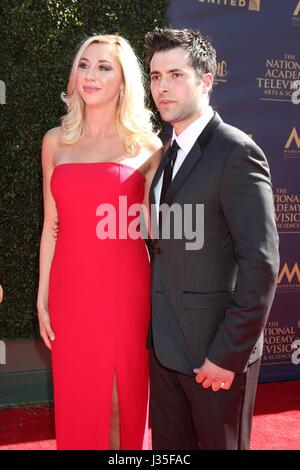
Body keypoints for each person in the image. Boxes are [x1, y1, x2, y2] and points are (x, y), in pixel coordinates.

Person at [145, 27, 279, 450]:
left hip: (214, 357)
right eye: (155, 76)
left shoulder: (236, 152)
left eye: (175, 74)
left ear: (206, 80)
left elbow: (261, 265)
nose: (162, 87)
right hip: (167, 351)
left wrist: (227, 354)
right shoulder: (167, 154)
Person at [37, 34, 161, 450]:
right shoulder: (56, 142)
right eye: (84, 65)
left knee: (117, 398)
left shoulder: (147, 147)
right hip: (69, 288)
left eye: (104, 67)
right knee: (77, 396)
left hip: (125, 288)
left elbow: (156, 230)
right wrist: (42, 295)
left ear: (124, 81)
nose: (90, 75)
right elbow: (50, 224)